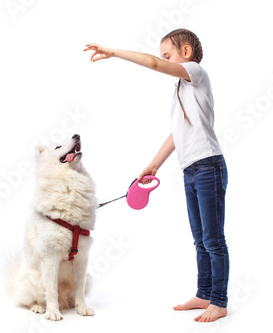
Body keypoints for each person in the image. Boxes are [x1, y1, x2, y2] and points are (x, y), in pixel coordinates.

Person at [84, 29, 229, 323]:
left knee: (214, 240)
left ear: (185, 53)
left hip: (208, 167)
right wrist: (154, 165)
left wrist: (114, 52)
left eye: (168, 56)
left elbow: (152, 64)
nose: (164, 61)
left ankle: (220, 301)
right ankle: (203, 294)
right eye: (163, 57)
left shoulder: (195, 72)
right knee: (200, 239)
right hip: (191, 169)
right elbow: (177, 134)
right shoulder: (182, 88)